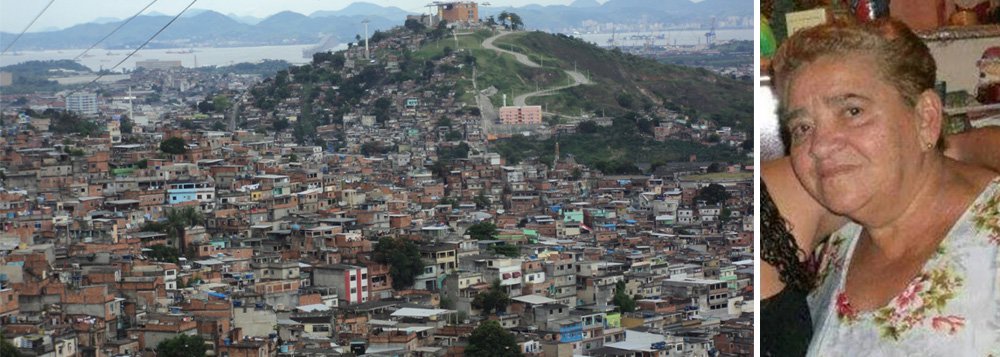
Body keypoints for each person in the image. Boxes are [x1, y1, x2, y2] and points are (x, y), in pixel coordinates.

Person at [770, 18, 1000, 355]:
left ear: (925, 118)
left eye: (852, 110)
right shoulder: (836, 239)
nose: (818, 145)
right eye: (802, 127)